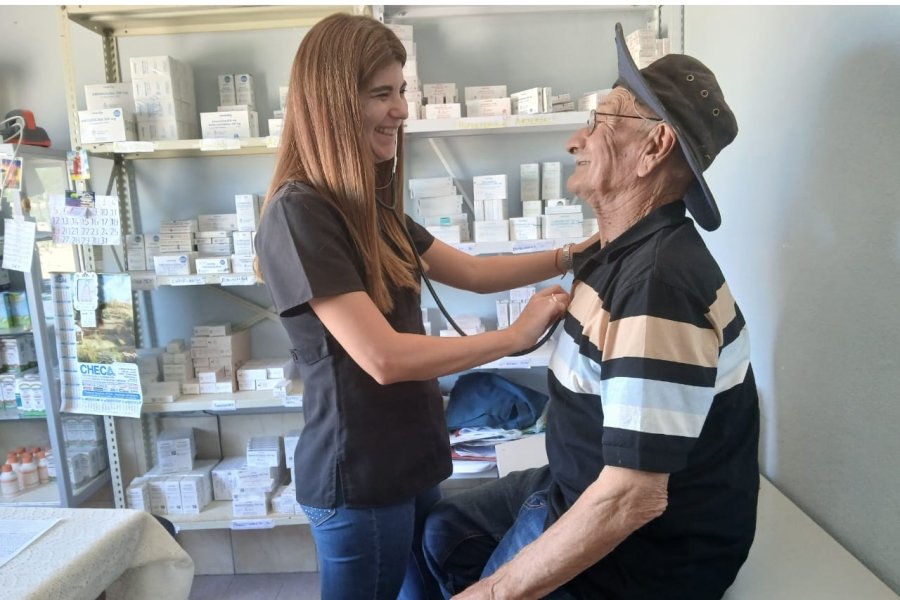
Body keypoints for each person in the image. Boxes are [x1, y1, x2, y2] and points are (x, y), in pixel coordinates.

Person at [254, 13, 595, 600]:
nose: (402, 110)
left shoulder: (371, 209)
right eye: (382, 94)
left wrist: (575, 253)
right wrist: (513, 338)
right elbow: (382, 358)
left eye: (402, 91)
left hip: (410, 460)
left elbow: (476, 272)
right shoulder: (299, 214)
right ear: (334, 103)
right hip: (360, 477)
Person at [422, 22, 760, 600]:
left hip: (646, 555)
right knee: (441, 531)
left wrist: (495, 593)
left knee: (477, 577)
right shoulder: (620, 252)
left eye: (602, 122)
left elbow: (634, 496)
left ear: (654, 148)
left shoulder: (658, 286)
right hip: (574, 481)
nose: (574, 140)